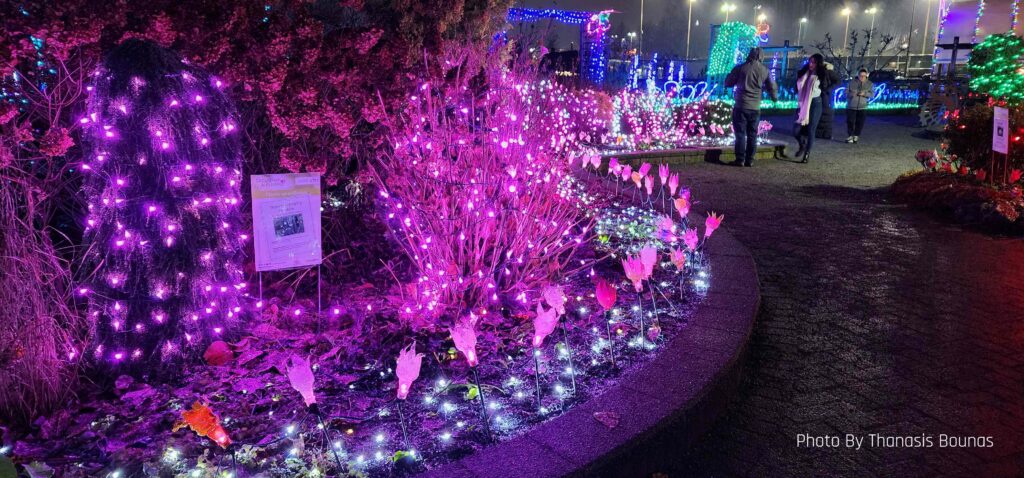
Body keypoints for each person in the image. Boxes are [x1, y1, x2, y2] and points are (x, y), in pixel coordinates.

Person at [724, 47, 778, 167]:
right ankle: (750, 159)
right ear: (761, 57)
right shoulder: (764, 70)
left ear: (749, 55)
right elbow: (772, 86)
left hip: (741, 105)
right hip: (755, 107)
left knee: (740, 133)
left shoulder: (740, 68)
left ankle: (740, 159)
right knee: (753, 134)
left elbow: (728, 82)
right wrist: (774, 97)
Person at [793, 53, 836, 163]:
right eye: (810, 61)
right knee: (796, 130)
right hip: (803, 103)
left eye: (814, 62)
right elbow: (798, 84)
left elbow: (837, 81)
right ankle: (802, 145)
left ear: (818, 63)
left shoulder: (823, 73)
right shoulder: (805, 71)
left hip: (816, 103)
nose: (811, 64)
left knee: (811, 129)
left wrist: (826, 90)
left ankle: (807, 154)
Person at [845, 68, 873, 143]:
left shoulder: (870, 84)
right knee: (850, 121)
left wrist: (865, 94)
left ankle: (856, 135)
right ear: (858, 75)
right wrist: (851, 94)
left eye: (864, 76)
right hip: (851, 105)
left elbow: (872, 94)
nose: (862, 77)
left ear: (866, 75)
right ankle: (850, 135)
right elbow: (845, 93)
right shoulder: (851, 83)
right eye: (861, 76)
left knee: (860, 122)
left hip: (863, 106)